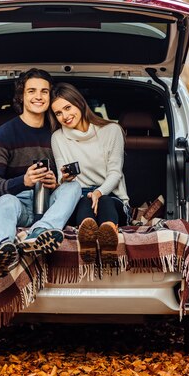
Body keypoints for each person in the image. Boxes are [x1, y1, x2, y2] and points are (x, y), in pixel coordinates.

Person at [0, 69, 82, 277]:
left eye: (44, 92)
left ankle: (40, 233)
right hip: (18, 205)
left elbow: (74, 174)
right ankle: (0, 251)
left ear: (49, 97)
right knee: (5, 201)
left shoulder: (59, 132)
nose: (38, 96)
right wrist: (24, 180)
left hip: (51, 207)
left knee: (73, 187)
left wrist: (57, 182)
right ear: (21, 96)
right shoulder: (4, 134)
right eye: (32, 91)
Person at [49, 83, 129, 264]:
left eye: (68, 108)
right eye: (58, 113)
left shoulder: (112, 130)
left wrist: (99, 192)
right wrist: (65, 177)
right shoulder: (58, 137)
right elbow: (62, 177)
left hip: (111, 196)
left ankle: (109, 237)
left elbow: (115, 173)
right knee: (85, 202)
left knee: (105, 202)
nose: (65, 116)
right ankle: (88, 240)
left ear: (80, 103)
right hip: (78, 196)